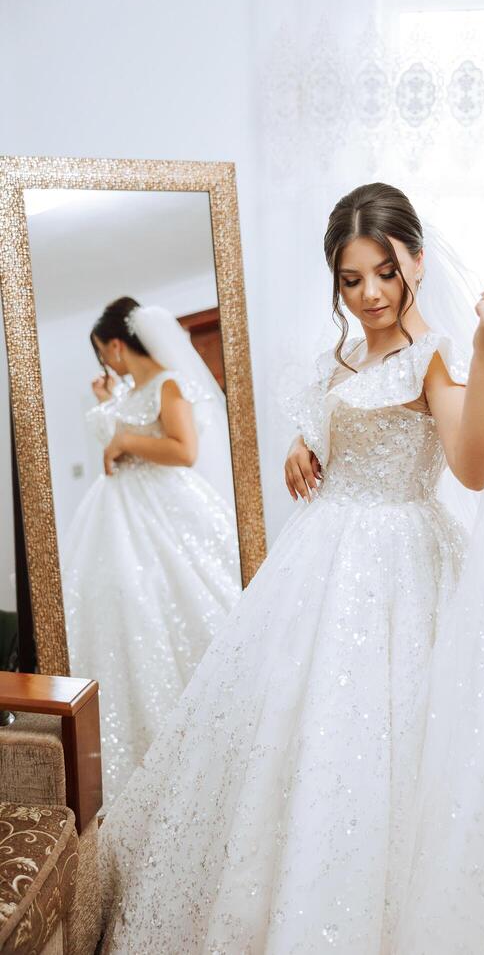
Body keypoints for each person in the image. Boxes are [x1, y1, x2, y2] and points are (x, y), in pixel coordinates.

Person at [97, 185, 484, 953]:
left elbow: (474, 465)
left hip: (403, 566)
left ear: (416, 264)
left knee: (412, 749)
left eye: (385, 274)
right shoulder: (344, 357)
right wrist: (309, 444)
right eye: (352, 279)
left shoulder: (432, 361)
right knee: (297, 749)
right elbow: (340, 420)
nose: (370, 295)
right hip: (321, 566)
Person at [62, 297, 241, 808]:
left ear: (116, 345)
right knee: (120, 607)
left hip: (163, 509)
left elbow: (184, 450)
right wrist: (109, 402)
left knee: (172, 598)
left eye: (103, 354)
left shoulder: (167, 383)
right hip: (117, 513)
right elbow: (122, 427)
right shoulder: (128, 390)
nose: (105, 364)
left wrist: (125, 443)